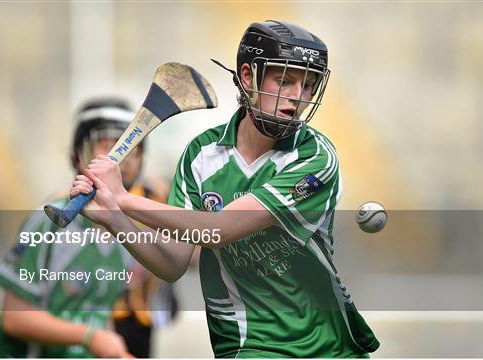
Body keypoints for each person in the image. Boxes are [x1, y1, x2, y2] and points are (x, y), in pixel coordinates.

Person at [71, 20, 380, 358]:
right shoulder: (201, 155)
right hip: (248, 344)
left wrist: (122, 198)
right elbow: (173, 263)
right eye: (285, 81)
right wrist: (115, 218)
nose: (298, 97)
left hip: (330, 347)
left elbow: (219, 229)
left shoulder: (315, 159)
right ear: (248, 77)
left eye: (308, 86)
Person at [0, 97, 171, 358]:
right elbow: (15, 319)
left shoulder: (125, 230)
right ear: (78, 154)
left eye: (133, 149)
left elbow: (96, 317)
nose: (122, 159)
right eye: (107, 145)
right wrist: (90, 338)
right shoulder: (48, 222)